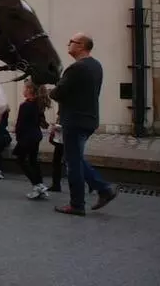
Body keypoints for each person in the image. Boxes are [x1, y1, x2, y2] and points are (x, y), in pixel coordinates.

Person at [50, 32, 118, 216]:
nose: (68, 44)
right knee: (74, 159)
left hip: (74, 120)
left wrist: (52, 90)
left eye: (71, 41)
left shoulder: (76, 68)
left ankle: (77, 204)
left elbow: (58, 93)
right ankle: (103, 190)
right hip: (88, 119)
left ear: (81, 46)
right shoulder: (96, 66)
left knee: (73, 163)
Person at [13, 77, 51, 200]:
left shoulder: (25, 105)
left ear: (30, 90)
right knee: (33, 161)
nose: (23, 90)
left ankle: (37, 185)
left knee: (21, 160)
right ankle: (39, 184)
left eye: (25, 88)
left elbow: (20, 125)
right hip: (35, 136)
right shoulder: (38, 104)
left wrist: (18, 137)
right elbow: (42, 121)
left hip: (26, 137)